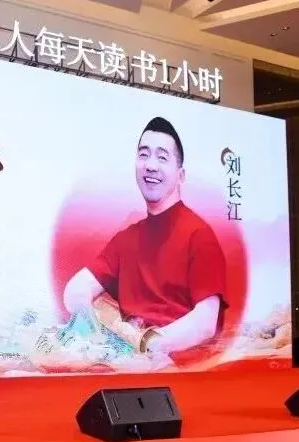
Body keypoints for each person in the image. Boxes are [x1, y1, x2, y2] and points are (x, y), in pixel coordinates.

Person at [63, 117, 226, 356]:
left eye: (162, 157)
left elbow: (205, 322)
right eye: (143, 154)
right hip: (130, 358)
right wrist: (92, 325)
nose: (150, 166)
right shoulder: (126, 240)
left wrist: (146, 345)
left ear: (181, 175)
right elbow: (76, 289)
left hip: (178, 364)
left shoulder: (199, 236)